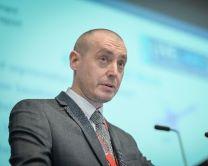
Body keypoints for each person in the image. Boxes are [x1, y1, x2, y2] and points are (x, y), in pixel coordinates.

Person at [9, 29, 153, 166]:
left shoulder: (127, 141)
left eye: (121, 63)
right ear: (75, 61)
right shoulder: (36, 114)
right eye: (103, 59)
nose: (114, 72)